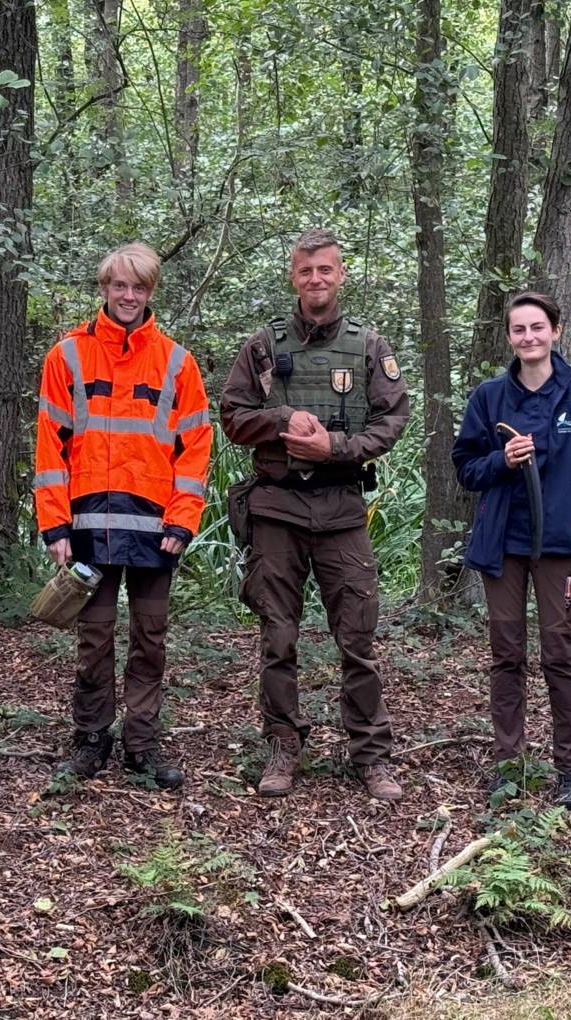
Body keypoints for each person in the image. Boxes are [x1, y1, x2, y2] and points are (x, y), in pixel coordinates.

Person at [220, 228, 409, 801]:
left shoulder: (369, 345)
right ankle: (283, 744)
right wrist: (282, 420)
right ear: (293, 276)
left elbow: (391, 420)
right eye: (305, 271)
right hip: (277, 508)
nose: (315, 280)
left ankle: (371, 755)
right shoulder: (261, 346)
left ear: (341, 273)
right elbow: (231, 415)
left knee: (358, 637)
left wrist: (337, 449)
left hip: (342, 508)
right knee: (278, 637)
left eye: (325, 270)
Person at [34, 242, 212, 790]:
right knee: (94, 636)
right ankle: (90, 741)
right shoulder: (66, 356)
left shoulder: (177, 362)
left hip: (158, 531)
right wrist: (55, 524)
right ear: (104, 289)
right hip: (88, 526)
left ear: (150, 291)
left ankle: (141, 745)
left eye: (138, 287)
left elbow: (196, 448)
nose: (128, 295)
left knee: (150, 639)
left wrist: (184, 520)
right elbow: (50, 447)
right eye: (119, 285)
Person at [451, 292, 571, 809]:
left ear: (556, 331)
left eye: (537, 327)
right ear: (509, 337)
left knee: (560, 655)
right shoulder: (490, 397)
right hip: (504, 545)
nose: (529, 337)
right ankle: (509, 766)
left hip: (563, 545)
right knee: (506, 655)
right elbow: (466, 467)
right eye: (519, 329)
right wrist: (501, 458)